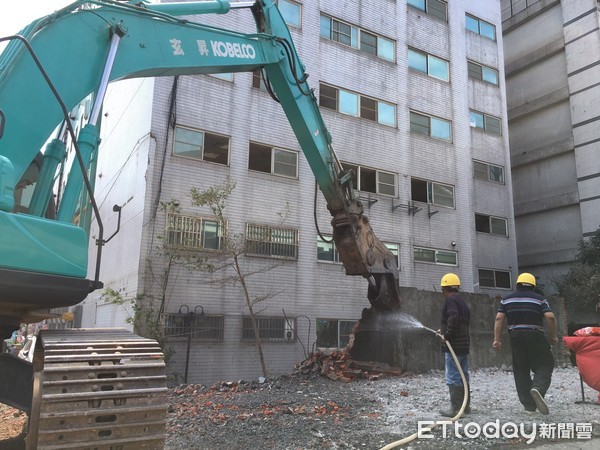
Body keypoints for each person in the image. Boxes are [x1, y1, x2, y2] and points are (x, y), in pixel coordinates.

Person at [493, 272, 558, 415]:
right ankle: (538, 388)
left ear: (517, 284)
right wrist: (553, 336)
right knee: (545, 364)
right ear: (533, 286)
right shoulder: (540, 299)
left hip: (515, 337)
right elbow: (550, 317)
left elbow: (499, 318)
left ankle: (529, 406)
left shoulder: (507, 300)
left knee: (521, 369)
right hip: (535, 335)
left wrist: (497, 339)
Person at [438, 273, 471, 417]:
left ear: (444, 288)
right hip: (464, 345)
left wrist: (447, 335)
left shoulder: (450, 300)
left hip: (454, 346)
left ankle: (456, 409)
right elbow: (458, 320)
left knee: (452, 375)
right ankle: (466, 406)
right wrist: (444, 330)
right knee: (463, 375)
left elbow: (453, 317)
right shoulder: (462, 301)